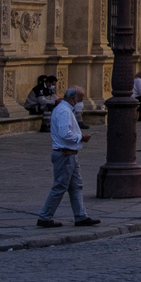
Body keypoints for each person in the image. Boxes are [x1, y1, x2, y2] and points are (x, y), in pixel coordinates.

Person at [36, 86, 100, 229]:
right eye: (81, 99)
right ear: (73, 98)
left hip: (70, 154)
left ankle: (80, 216)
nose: (81, 103)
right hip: (65, 154)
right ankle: (45, 217)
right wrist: (81, 137)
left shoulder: (63, 109)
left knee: (76, 186)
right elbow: (65, 134)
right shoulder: (64, 111)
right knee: (59, 186)